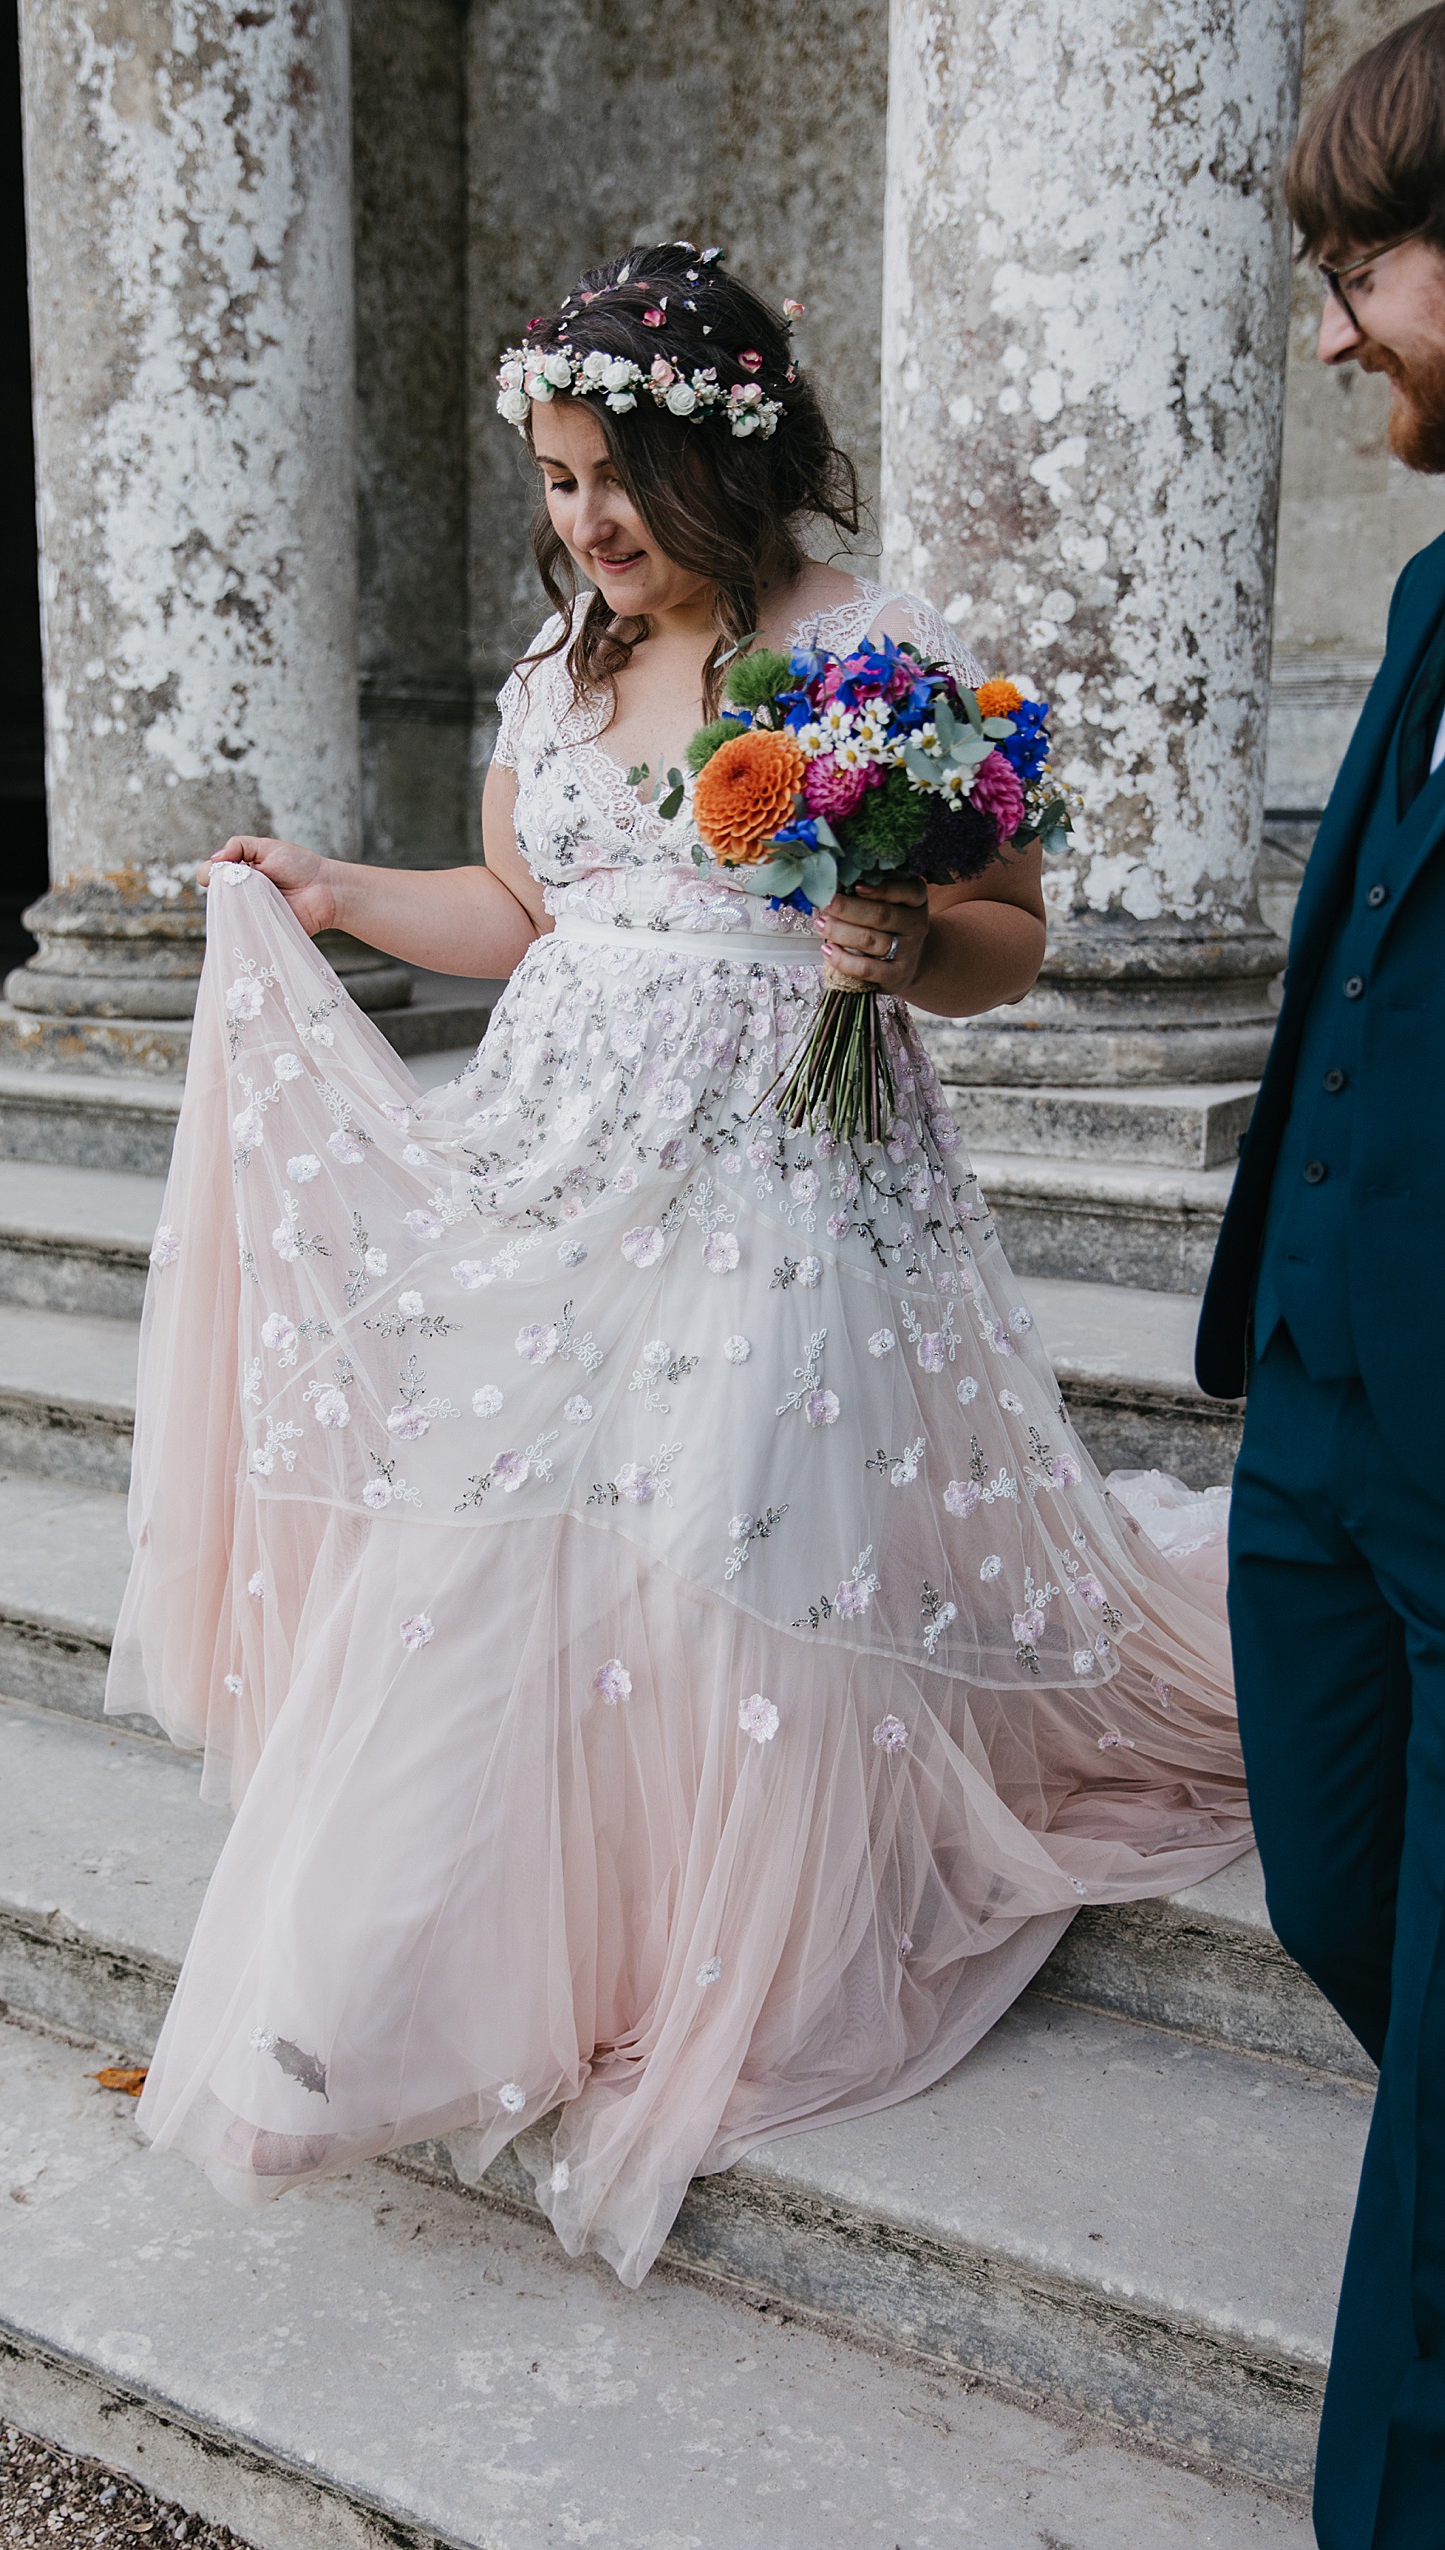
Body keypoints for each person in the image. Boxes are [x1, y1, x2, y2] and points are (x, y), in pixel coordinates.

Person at [114, 240, 1250, 2289]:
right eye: (554, 483)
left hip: (790, 1182)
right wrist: (335, 889)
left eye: (612, 475)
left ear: (722, 458)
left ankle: (717, 1940)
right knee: (505, 1561)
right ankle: (399, 2000)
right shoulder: (554, 675)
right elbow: (523, 904)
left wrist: (903, 946)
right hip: (565, 1171)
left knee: (731, 1535)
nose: (585, 522)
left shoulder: (866, 654)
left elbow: (1008, 933)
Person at [1195, 14, 1445, 2542]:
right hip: (1323, 1427)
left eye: (1359, 259)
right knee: (1327, 1886)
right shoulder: (1431, 593)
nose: (1326, 324)